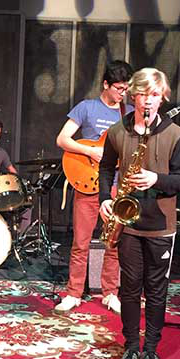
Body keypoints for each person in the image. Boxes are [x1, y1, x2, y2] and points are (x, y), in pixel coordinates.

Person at [98, 67, 180, 359]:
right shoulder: (117, 131)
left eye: (155, 95)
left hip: (161, 224)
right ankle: (131, 347)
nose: (148, 101)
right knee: (129, 288)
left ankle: (151, 350)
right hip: (128, 223)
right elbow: (106, 168)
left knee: (156, 289)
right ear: (132, 95)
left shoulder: (175, 134)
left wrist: (156, 179)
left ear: (162, 98)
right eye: (142, 94)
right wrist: (105, 199)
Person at [54, 60, 135, 315]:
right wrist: (90, 151)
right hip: (88, 184)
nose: (123, 94)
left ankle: (110, 293)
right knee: (81, 242)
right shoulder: (86, 108)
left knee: (113, 242)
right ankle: (73, 293)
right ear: (106, 84)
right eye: (119, 88)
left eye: (126, 89)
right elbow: (62, 139)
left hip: (116, 186)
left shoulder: (129, 113)